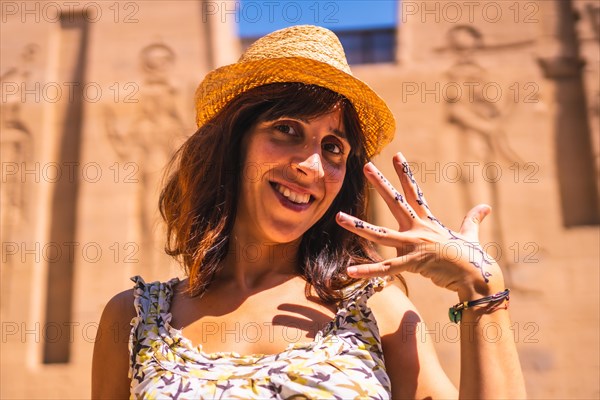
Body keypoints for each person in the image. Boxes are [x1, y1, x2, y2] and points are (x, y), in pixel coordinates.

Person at [92, 25, 526, 399]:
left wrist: (481, 290)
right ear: (234, 143)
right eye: (286, 129)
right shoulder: (134, 320)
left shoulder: (378, 311)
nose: (311, 166)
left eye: (333, 147)